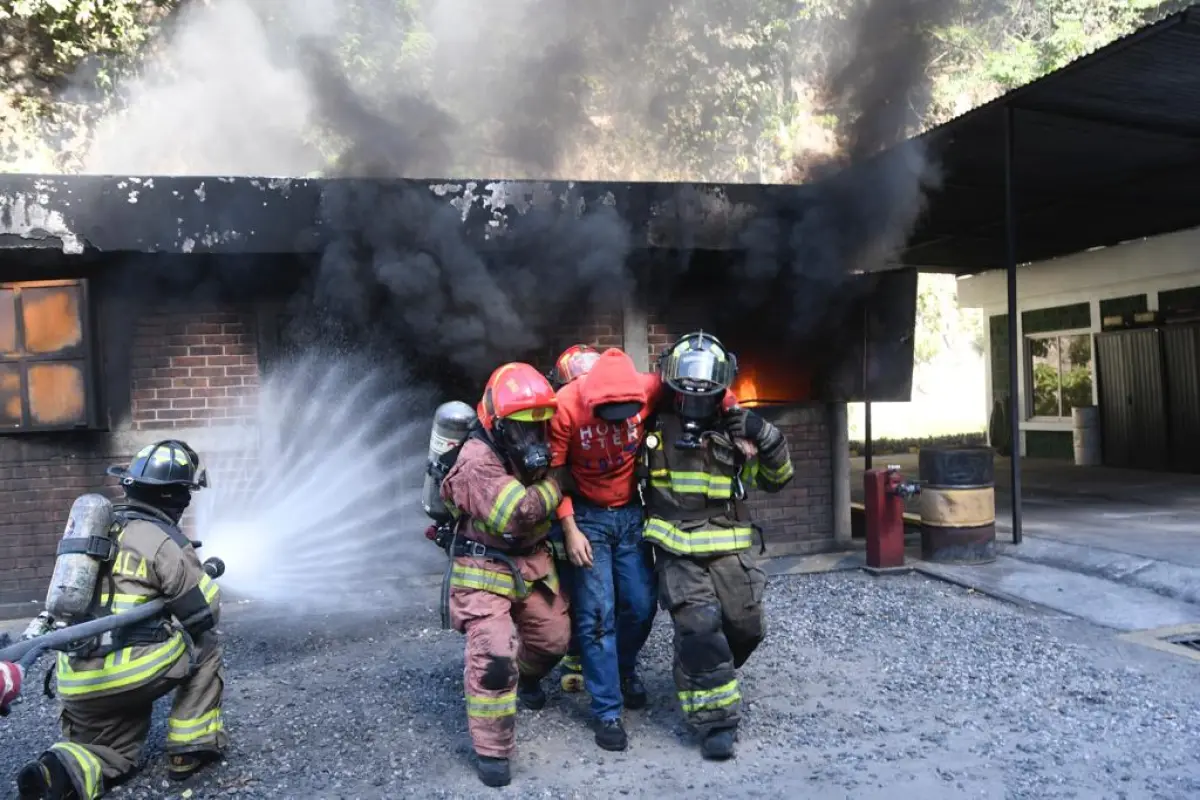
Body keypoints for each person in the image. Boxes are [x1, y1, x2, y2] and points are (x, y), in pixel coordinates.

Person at [549, 347, 737, 752]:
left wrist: (740, 425)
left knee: (639, 603)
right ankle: (607, 711)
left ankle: (622, 667)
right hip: (587, 517)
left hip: (631, 513)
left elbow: (711, 390)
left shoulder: (648, 386)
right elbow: (552, 472)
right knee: (598, 614)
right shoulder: (565, 407)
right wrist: (569, 528)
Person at [18, 440, 226, 800]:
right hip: (131, 673)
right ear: (178, 498)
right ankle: (189, 748)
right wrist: (199, 576)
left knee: (110, 751)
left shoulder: (92, 535)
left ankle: (55, 774)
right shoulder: (163, 541)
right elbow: (202, 614)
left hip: (78, 680)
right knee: (205, 645)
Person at [639, 332, 794, 761]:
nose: (694, 395)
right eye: (685, 385)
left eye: (704, 387)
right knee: (701, 627)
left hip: (728, 544)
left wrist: (767, 437)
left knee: (747, 627)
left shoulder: (738, 427)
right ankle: (716, 723)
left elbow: (776, 481)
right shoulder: (649, 422)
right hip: (675, 546)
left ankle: (698, 666)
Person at [440, 362, 571, 788]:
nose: (534, 440)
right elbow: (519, 513)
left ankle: (525, 676)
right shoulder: (477, 459)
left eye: (540, 427)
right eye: (522, 429)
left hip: (530, 564)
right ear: (497, 424)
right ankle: (492, 751)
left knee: (553, 641)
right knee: (496, 654)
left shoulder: (531, 443)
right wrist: (555, 485)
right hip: (482, 568)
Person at [544, 344, 600, 693]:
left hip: (601, 511)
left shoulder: (612, 417)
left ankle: (607, 660)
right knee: (569, 590)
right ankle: (573, 656)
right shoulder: (556, 421)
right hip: (564, 515)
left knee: (603, 594)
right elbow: (553, 475)